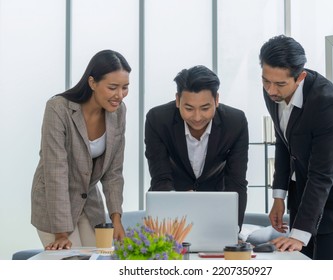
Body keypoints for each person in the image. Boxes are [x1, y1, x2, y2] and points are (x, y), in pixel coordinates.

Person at [259, 35, 333, 260]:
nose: (271, 90)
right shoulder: (272, 92)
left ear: (300, 77)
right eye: (266, 81)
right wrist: (278, 196)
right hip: (302, 194)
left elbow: (322, 174)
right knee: (298, 264)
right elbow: (284, 142)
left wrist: (300, 233)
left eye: (280, 84)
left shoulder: (326, 104)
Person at [31, 50, 131, 250]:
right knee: (72, 263)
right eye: (113, 87)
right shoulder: (58, 108)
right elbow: (56, 171)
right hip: (54, 202)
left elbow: (113, 173)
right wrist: (60, 233)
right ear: (92, 83)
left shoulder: (118, 112)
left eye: (125, 88)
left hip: (89, 201)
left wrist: (116, 219)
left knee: (99, 259)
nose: (119, 95)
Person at [144, 65, 249, 228]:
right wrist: (179, 202)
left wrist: (234, 230)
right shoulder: (157, 120)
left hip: (217, 204)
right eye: (189, 108)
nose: (198, 117)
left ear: (217, 100)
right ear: (178, 100)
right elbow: (160, 177)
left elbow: (236, 181)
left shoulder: (235, 122)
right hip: (172, 204)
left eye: (205, 108)